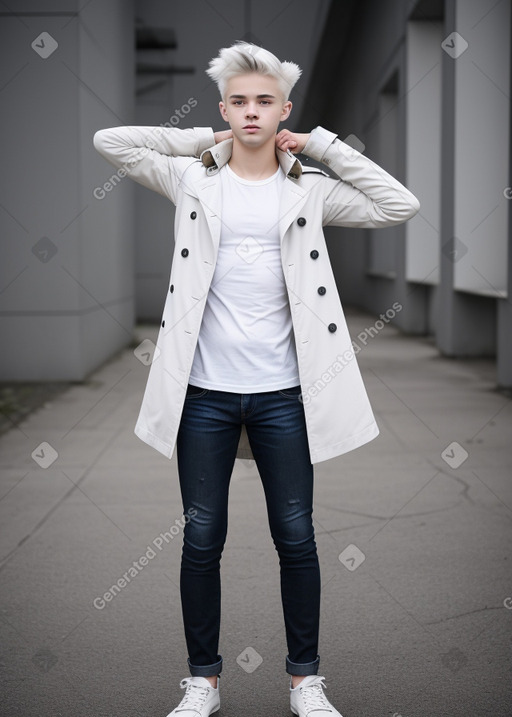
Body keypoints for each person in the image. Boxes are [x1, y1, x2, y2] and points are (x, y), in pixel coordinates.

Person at [93, 40, 420, 717]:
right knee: (202, 535)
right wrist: (194, 139)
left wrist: (325, 145)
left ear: (284, 111)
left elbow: (399, 205)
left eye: (263, 101)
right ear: (224, 110)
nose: (250, 111)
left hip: (286, 396)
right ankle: (203, 682)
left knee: (295, 534)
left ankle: (305, 681)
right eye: (238, 101)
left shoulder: (309, 188)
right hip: (204, 394)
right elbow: (110, 141)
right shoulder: (192, 180)